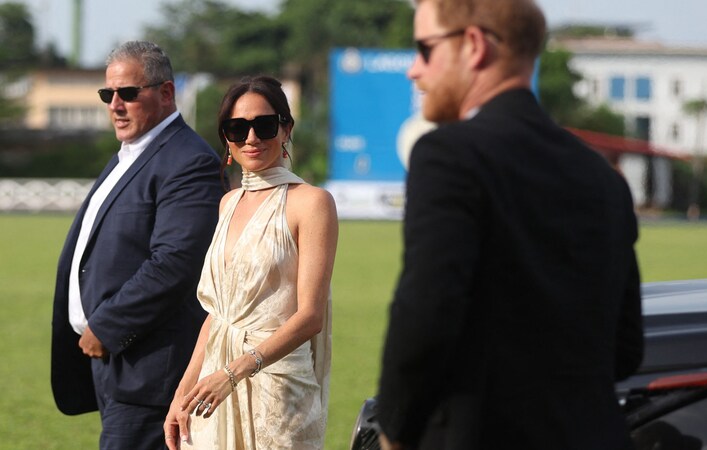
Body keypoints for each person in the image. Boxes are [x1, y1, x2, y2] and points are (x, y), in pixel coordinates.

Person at [377, 1, 644, 449]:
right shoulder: (604, 179)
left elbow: (425, 314)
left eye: (425, 48)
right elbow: (625, 349)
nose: (414, 70)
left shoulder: (448, 156)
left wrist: (394, 430)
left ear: (475, 46)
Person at [50, 41, 224, 449]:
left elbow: (175, 263)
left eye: (128, 93)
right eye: (107, 94)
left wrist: (106, 327)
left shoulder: (188, 160)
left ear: (166, 93)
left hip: (150, 374)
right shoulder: (129, 154)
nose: (115, 104)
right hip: (115, 367)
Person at [162, 75, 338, 450]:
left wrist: (235, 372)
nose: (251, 138)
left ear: (286, 128)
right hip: (214, 386)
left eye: (264, 125)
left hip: (278, 389)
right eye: (237, 128)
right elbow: (219, 314)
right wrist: (183, 392)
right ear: (226, 138)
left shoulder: (312, 203)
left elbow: (310, 315)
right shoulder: (228, 203)